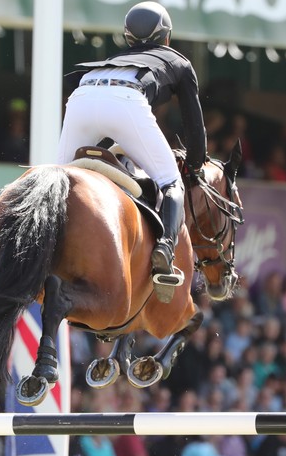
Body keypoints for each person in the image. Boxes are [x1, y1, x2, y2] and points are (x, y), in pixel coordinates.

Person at [57, 1, 208, 302]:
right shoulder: (177, 61)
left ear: (128, 39)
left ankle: (46, 245)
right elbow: (195, 128)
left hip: (83, 95)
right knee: (170, 180)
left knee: (58, 183)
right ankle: (165, 248)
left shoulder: (116, 57)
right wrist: (194, 164)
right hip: (125, 100)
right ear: (166, 37)